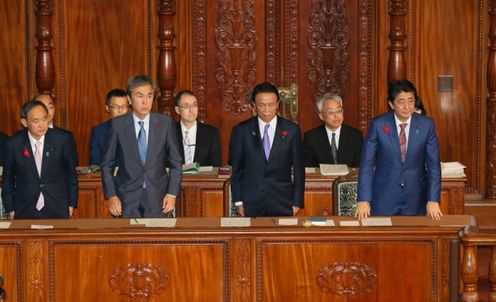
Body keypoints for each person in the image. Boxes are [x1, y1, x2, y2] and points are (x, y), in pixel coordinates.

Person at [355, 79, 442, 220]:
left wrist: (433, 199)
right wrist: (363, 199)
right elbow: (366, 164)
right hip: (383, 198)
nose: (407, 107)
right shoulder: (378, 125)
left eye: (411, 101)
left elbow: (434, 166)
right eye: (401, 102)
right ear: (391, 104)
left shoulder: (427, 125)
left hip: (416, 198)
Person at [101, 75, 182, 218]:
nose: (145, 101)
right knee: (128, 239)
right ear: (129, 99)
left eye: (149, 96)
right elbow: (107, 164)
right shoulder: (118, 125)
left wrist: (172, 193)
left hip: (158, 198)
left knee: (157, 240)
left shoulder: (164, 124)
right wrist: (112, 195)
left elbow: (176, 162)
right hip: (126, 198)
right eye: (140, 96)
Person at [230, 82, 305, 217]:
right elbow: (236, 170)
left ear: (277, 105)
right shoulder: (241, 130)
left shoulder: (292, 130)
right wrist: (238, 201)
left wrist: (297, 202)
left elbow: (299, 169)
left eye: (271, 105)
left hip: (283, 200)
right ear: (253, 106)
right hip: (251, 201)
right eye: (261, 105)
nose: (266, 109)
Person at [2, 100, 79, 219]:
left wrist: (71, 203)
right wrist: (10, 208)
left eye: (44, 119)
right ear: (24, 122)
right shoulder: (13, 144)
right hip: (24, 207)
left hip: (57, 205)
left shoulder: (62, 139)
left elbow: (71, 174)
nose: (42, 125)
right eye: (36, 121)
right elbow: (7, 180)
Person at [303, 93, 363, 167]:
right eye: (331, 112)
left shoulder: (355, 136)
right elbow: (308, 167)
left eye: (339, 111)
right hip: (322, 178)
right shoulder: (311, 137)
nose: (336, 116)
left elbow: (360, 165)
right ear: (321, 116)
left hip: (350, 178)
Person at [174, 90, 221, 166]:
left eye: (194, 105)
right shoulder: (169, 132)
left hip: (203, 178)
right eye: (186, 106)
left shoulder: (211, 134)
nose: (191, 110)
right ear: (177, 110)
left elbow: (215, 167)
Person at [89, 89, 129, 166]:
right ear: (107, 108)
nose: (120, 111)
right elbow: (95, 164)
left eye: (124, 106)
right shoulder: (99, 131)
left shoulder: (137, 128)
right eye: (116, 107)